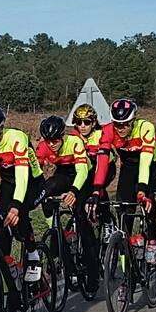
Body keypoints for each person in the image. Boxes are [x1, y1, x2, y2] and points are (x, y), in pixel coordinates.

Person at [0, 103, 44, 283]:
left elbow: (22, 176)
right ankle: (6, 267)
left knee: (19, 215)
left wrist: (16, 206)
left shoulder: (16, 138)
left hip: (31, 181)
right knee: (1, 224)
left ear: (0, 129)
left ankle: (33, 253)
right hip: (8, 182)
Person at [35, 115, 99, 296]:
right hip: (63, 173)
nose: (53, 144)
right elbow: (36, 173)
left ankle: (93, 275)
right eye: (49, 141)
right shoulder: (43, 147)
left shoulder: (74, 142)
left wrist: (73, 192)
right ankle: (56, 230)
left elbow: (82, 171)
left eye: (56, 140)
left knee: (80, 217)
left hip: (83, 175)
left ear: (63, 136)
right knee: (45, 192)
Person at [104, 98, 156, 264]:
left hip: (150, 165)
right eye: (117, 125)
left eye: (125, 124)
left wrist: (143, 189)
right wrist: (97, 187)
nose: (121, 129)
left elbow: (145, 162)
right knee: (124, 209)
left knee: (146, 199)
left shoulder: (145, 128)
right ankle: (127, 261)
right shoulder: (109, 131)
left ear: (133, 121)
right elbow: (103, 159)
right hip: (128, 167)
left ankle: (152, 240)